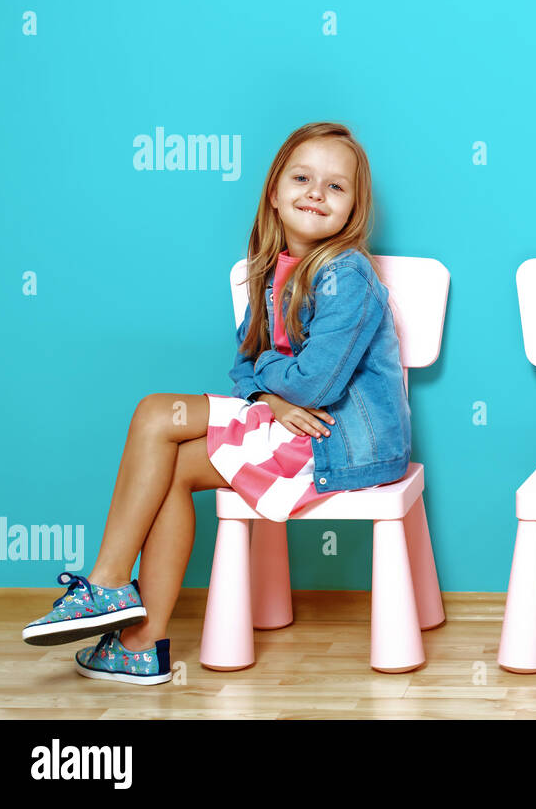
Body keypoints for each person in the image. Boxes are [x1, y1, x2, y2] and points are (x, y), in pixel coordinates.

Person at [21, 121, 412, 684]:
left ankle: (107, 586)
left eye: (335, 187)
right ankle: (140, 642)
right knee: (173, 468)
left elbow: (313, 387)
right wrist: (270, 395)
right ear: (275, 193)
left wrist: (274, 386)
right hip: (298, 431)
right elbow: (243, 369)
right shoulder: (267, 271)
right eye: (302, 178)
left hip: (341, 445)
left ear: (353, 209)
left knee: (157, 411)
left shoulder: (345, 275)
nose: (315, 194)